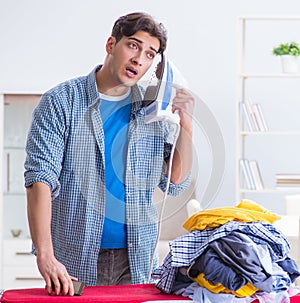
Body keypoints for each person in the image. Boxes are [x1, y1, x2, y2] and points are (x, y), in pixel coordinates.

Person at [24, 11, 194, 296]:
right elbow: (40, 179)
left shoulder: (151, 109)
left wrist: (185, 124)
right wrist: (45, 254)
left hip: (138, 260)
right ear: (110, 44)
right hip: (74, 259)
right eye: (133, 45)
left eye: (150, 54)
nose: (140, 59)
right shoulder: (61, 101)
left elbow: (175, 182)